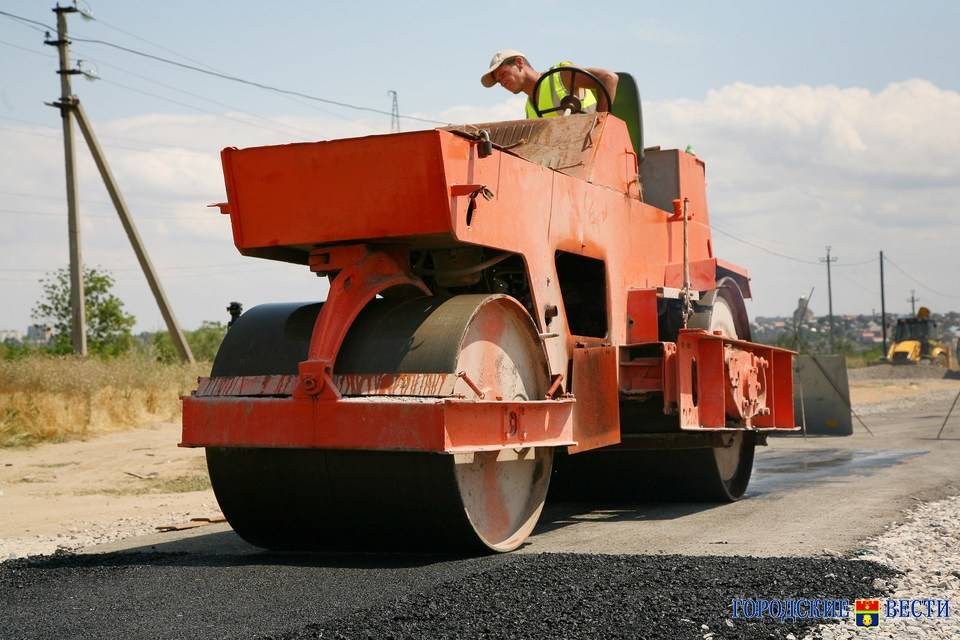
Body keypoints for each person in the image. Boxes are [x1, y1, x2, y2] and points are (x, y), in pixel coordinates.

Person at [480, 49, 618, 119]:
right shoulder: (530, 109)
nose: (502, 83)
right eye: (499, 81)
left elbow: (608, 78)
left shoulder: (561, 75)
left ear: (519, 62)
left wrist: (600, 125)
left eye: (503, 74)